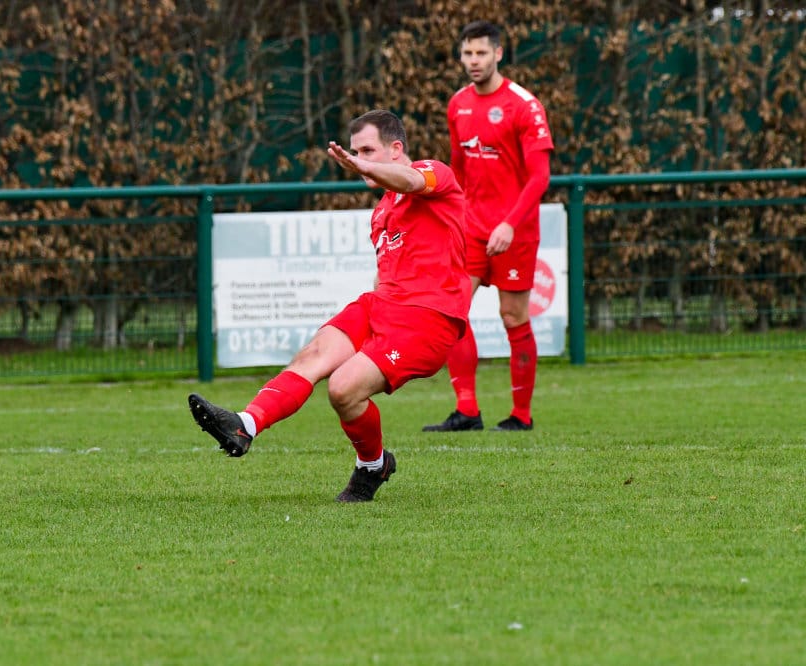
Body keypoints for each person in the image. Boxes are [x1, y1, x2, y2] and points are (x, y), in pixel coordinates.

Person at [188, 109, 471, 502]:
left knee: (343, 389)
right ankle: (245, 425)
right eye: (354, 153)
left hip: (427, 319)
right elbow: (388, 271)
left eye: (368, 151)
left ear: (396, 148)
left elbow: (409, 179)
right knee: (313, 354)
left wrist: (363, 166)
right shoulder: (381, 212)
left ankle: (371, 466)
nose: (359, 161)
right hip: (381, 304)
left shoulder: (433, 174)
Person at [423, 20, 554, 433]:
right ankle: (467, 410)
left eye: (481, 53)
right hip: (472, 228)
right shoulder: (457, 104)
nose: (473, 61)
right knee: (452, 308)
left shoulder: (523, 105)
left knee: (512, 315)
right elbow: (457, 172)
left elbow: (540, 178)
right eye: (467, 53)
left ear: (498, 53)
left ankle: (521, 415)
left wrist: (510, 224)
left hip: (515, 229)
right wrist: (452, 220)